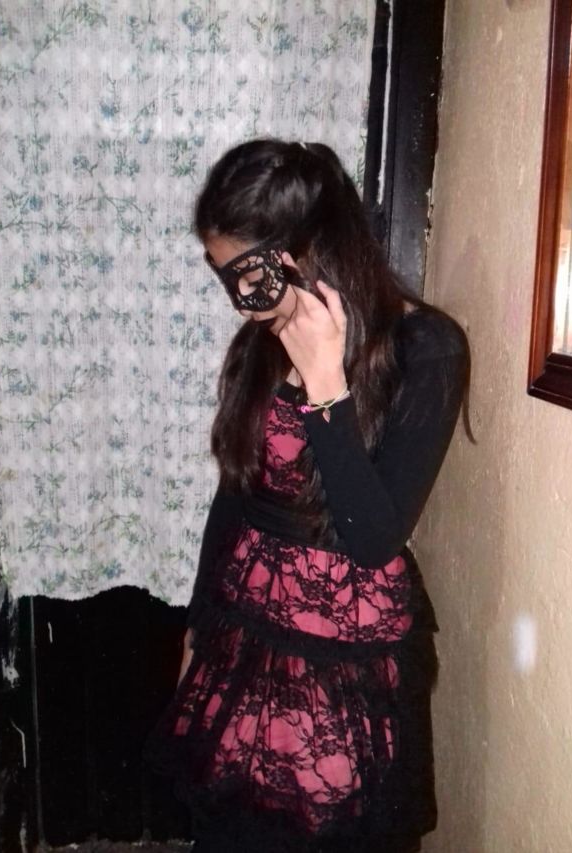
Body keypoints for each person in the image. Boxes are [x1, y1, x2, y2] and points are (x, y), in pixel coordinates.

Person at [145, 139, 469, 853]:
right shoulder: (258, 347)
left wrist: (327, 385)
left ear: (301, 254)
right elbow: (235, 495)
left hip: (346, 657)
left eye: (245, 276)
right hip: (246, 630)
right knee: (230, 828)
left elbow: (373, 537)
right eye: (225, 278)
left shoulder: (426, 348)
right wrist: (198, 631)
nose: (241, 302)